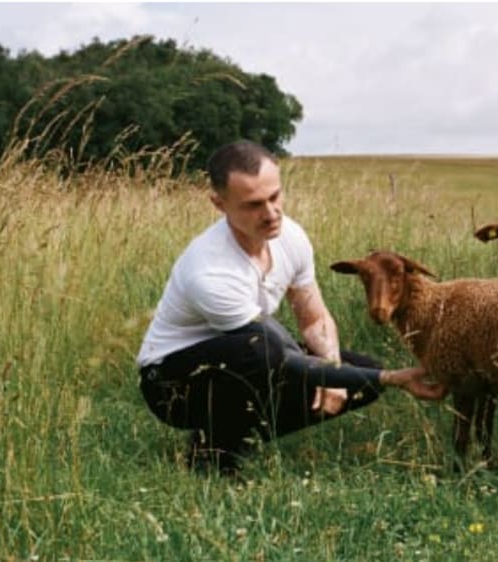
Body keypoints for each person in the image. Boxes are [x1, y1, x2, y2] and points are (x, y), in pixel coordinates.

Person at [136, 140, 445, 474]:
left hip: (244, 356)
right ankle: (214, 457)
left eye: (275, 196)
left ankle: (224, 440)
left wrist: (335, 372)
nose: (271, 214)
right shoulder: (209, 270)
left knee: (359, 375)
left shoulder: (290, 235)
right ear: (219, 203)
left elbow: (314, 318)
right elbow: (279, 355)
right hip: (172, 383)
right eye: (253, 205)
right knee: (264, 352)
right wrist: (393, 377)